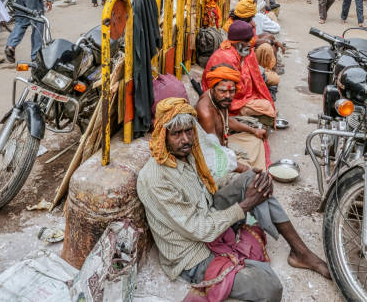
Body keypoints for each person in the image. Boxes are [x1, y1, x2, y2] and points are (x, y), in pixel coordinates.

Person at [137, 98, 330, 302]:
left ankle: (301, 253)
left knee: (253, 181)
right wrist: (246, 204)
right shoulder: (157, 179)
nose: (185, 139)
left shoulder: (188, 154)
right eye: (176, 133)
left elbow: (209, 190)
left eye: (188, 131)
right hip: (192, 254)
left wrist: (250, 180)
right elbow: (199, 229)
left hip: (209, 215)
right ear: (163, 135)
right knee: (271, 288)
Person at [198, 65, 267, 170]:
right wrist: (245, 169)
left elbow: (226, 121)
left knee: (255, 139)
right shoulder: (205, 112)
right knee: (251, 174)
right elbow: (213, 153)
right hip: (214, 160)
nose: (227, 96)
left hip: (224, 145)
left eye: (231, 91)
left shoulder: (220, 100)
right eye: (222, 91)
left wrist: (254, 130)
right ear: (212, 88)